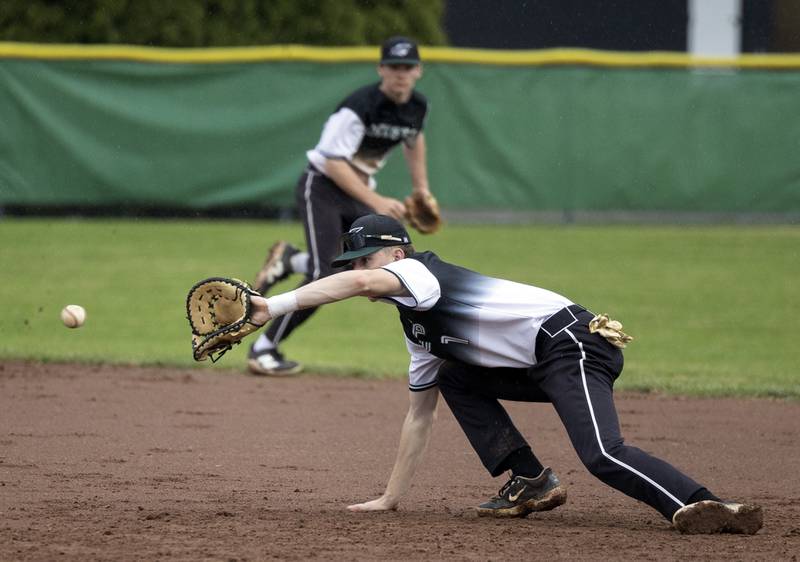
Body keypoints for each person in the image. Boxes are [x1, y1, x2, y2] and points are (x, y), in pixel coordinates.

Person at [245, 213, 764, 534]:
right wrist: (390, 498)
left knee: (602, 454)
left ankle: (708, 505)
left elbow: (355, 288)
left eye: (366, 260)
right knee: (453, 377)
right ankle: (530, 480)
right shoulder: (419, 329)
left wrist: (271, 305)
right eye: (353, 262)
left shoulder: (418, 272)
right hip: (540, 361)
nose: (358, 271)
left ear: (396, 255)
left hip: (575, 343)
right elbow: (418, 417)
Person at [247, 36, 434, 376]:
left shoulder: (416, 106)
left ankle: (291, 259)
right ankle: (263, 348)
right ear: (381, 69)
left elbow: (414, 140)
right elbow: (332, 162)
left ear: (418, 71)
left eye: (407, 67)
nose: (400, 74)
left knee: (365, 264)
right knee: (324, 274)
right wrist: (376, 202)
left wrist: (421, 190)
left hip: (357, 191)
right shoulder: (360, 105)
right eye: (394, 67)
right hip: (322, 187)